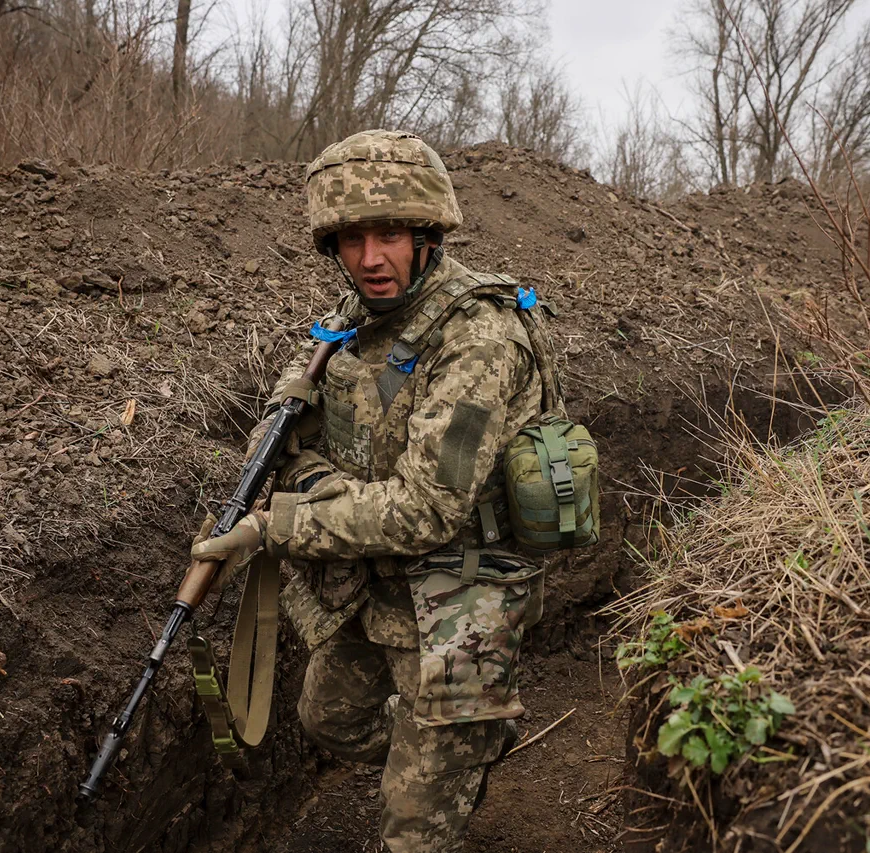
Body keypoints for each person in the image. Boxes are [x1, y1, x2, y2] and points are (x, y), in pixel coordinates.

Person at [192, 129, 557, 853]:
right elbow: (284, 430)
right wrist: (309, 477)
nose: (369, 259)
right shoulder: (352, 320)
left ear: (426, 236)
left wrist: (276, 527)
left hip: (462, 593)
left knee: (409, 832)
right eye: (352, 239)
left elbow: (427, 509)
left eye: (388, 235)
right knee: (330, 720)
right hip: (378, 579)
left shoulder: (479, 339)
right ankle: (454, 750)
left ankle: (452, 752)